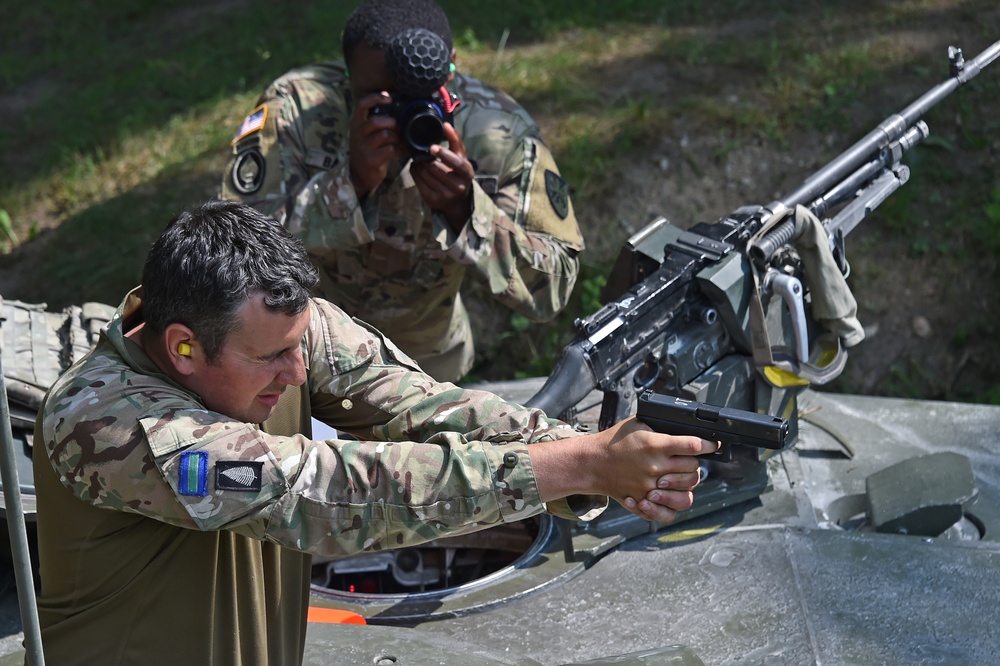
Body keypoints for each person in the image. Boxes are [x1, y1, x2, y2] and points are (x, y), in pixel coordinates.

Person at [33, 200, 714, 665]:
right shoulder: (111, 426)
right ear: (182, 348)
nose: (298, 371)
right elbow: (326, 496)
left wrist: (583, 447)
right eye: (273, 358)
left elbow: (429, 409)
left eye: (301, 344)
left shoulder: (270, 329)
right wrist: (577, 468)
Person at [220, 0, 584, 383]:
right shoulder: (298, 110)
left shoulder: (498, 135)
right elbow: (229, 253)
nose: (401, 118)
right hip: (308, 368)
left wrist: (466, 211)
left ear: (450, 63)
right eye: (379, 99)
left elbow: (553, 287)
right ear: (348, 73)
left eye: (420, 96)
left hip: (432, 374)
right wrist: (350, 184)